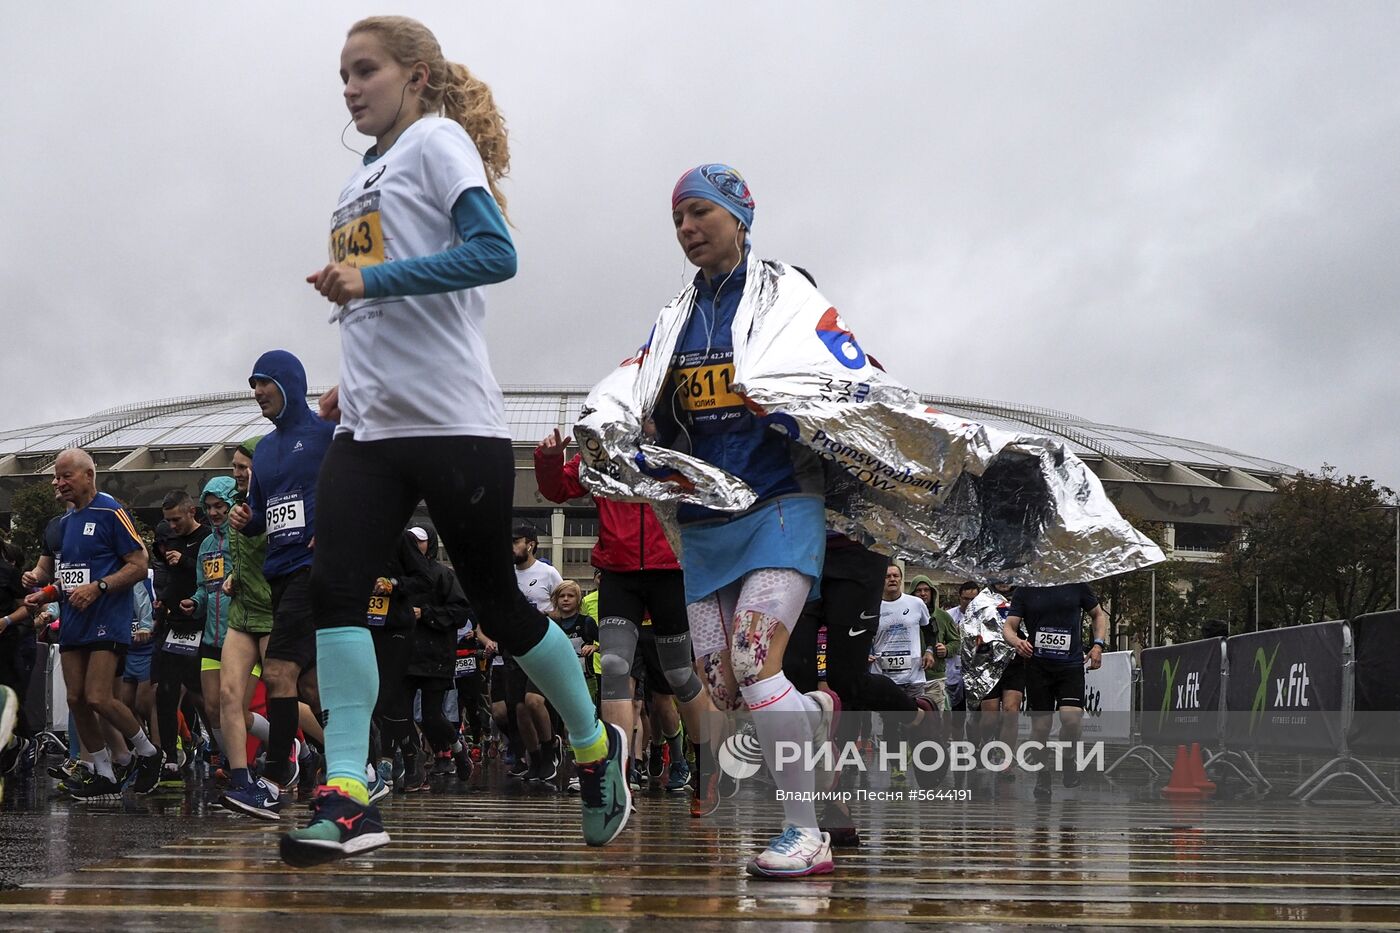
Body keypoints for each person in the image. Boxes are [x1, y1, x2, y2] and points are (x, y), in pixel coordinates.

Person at [284, 14, 628, 865]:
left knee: (501, 608)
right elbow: (379, 312)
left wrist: (373, 278)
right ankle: (351, 793)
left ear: (417, 78)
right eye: (343, 75)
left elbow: (495, 253)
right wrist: (348, 378)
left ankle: (592, 744)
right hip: (370, 428)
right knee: (336, 591)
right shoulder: (352, 183)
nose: (350, 88)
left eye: (366, 71)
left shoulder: (436, 142)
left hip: (455, 423)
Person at [645, 164, 837, 878]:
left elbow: (845, 379)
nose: (688, 229)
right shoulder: (675, 318)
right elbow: (645, 403)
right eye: (678, 221)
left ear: (740, 216)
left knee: (756, 664)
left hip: (781, 503)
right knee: (721, 689)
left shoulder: (786, 293)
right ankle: (812, 712)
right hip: (704, 520)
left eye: (700, 213)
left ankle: (805, 832)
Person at [534, 428, 714, 811]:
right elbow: (559, 490)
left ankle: (707, 771)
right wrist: (550, 459)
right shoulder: (602, 450)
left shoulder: (680, 441)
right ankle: (617, 776)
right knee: (615, 667)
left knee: (680, 675)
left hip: (671, 571)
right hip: (619, 571)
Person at [23, 449, 163, 797]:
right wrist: (45, 593)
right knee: (75, 699)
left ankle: (147, 752)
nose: (58, 483)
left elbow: (138, 563)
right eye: (56, 477)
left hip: (107, 619)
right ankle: (103, 770)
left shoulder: (110, 510)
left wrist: (100, 588)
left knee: (99, 697)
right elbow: (69, 578)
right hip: (74, 621)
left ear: (88, 475)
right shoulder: (64, 525)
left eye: (65, 475)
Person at [227, 350, 331, 817]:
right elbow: (262, 517)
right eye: (252, 385)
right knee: (309, 683)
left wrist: (333, 529)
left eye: (263, 383)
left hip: (315, 572)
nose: (256, 393)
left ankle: (272, 779)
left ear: (289, 383)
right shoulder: (264, 450)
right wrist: (245, 518)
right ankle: (368, 762)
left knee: (278, 673)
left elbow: (363, 488)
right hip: (279, 572)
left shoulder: (328, 436)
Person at [1003, 582, 1109, 799]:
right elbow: (1009, 627)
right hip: (1037, 666)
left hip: (1070, 665)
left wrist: (1098, 645)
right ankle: (1043, 774)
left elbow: (1099, 615)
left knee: (1071, 720)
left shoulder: (1077, 585)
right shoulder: (1026, 589)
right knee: (1041, 728)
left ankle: (1069, 759)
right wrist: (1017, 642)